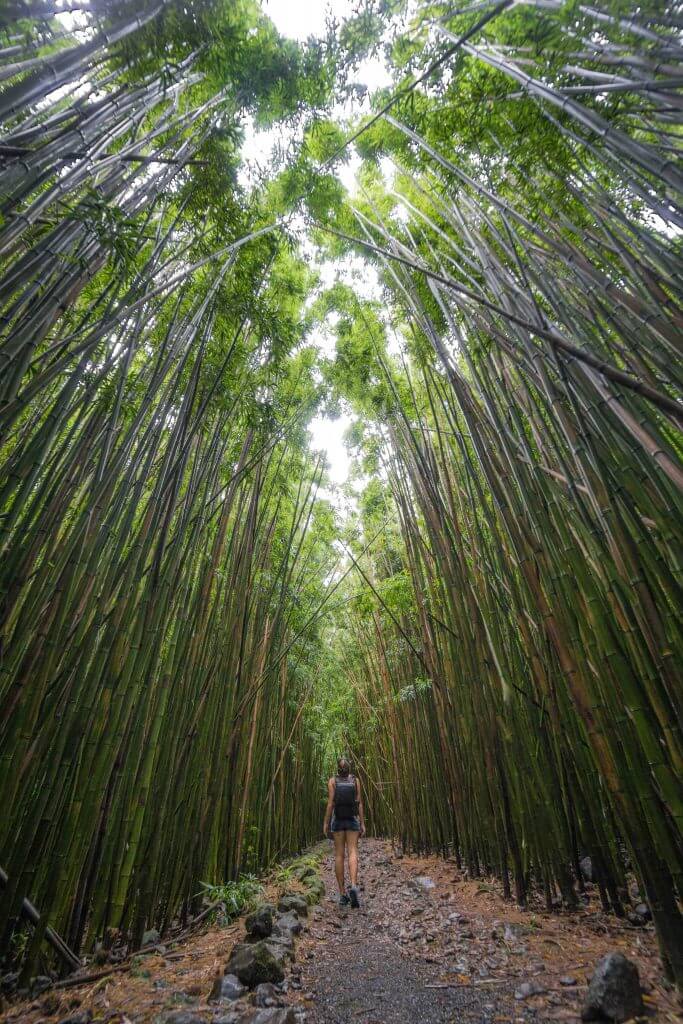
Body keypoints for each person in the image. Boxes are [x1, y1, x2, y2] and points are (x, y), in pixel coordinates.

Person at [323, 757, 366, 908]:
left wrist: (326, 823)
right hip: (352, 819)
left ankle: (342, 894)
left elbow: (330, 804)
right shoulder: (355, 780)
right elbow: (359, 803)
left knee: (339, 855)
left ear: (338, 769)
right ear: (349, 768)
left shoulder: (332, 781)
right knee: (353, 851)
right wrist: (362, 823)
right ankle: (353, 885)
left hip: (338, 820)